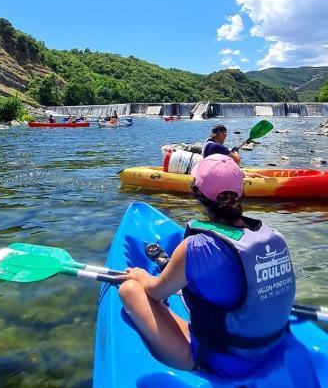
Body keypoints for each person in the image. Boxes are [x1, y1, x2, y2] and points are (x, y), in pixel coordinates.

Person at [117, 154, 296, 376]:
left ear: (197, 195)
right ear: (240, 193)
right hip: (273, 348)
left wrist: (140, 275)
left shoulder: (197, 246)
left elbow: (155, 291)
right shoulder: (274, 235)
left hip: (223, 362)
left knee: (129, 290)